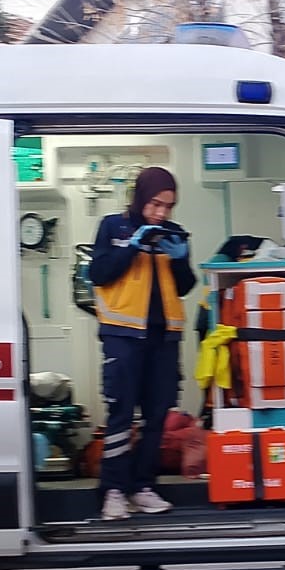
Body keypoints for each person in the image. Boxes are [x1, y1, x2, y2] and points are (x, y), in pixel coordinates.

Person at [87, 167, 195, 521]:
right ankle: (114, 491)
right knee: (121, 414)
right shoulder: (112, 227)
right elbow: (99, 274)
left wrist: (180, 259)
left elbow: (183, 285)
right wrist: (132, 248)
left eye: (169, 206)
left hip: (163, 339)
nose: (161, 213)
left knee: (157, 417)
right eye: (155, 204)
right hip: (123, 336)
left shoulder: (173, 232)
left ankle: (143, 486)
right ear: (139, 198)